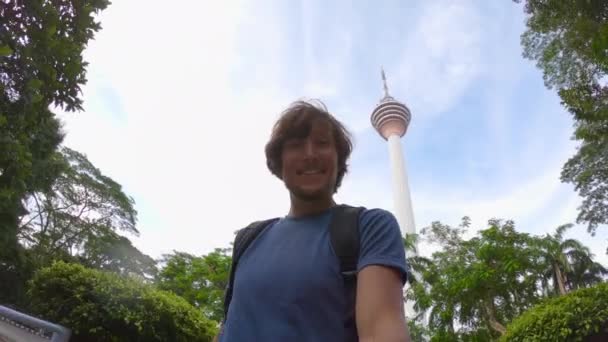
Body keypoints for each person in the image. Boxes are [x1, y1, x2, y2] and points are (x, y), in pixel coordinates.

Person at [217, 100, 410, 341]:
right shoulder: (248, 238)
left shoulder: (369, 227)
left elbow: (382, 328)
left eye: (322, 143)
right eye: (296, 145)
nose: (310, 154)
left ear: (339, 160)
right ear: (279, 162)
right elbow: (229, 326)